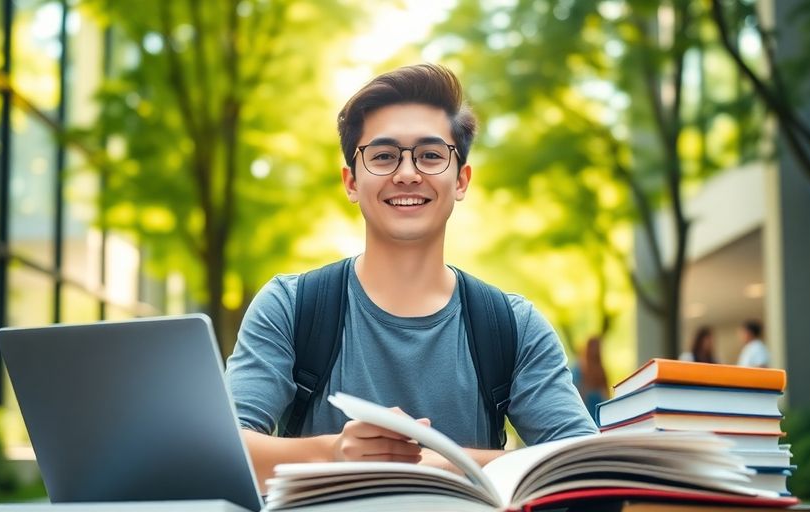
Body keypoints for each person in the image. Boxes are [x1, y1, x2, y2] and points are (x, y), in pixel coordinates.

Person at [224, 64, 597, 488]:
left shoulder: (514, 325)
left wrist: (450, 465)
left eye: (431, 155)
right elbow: (221, 449)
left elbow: (583, 465)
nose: (406, 173)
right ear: (351, 181)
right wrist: (331, 453)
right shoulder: (289, 307)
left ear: (461, 179)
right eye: (383, 156)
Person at [580, 336, 609, 424]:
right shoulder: (581, 368)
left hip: (600, 406)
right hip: (588, 406)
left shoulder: (601, 368)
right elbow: (581, 391)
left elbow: (605, 391)